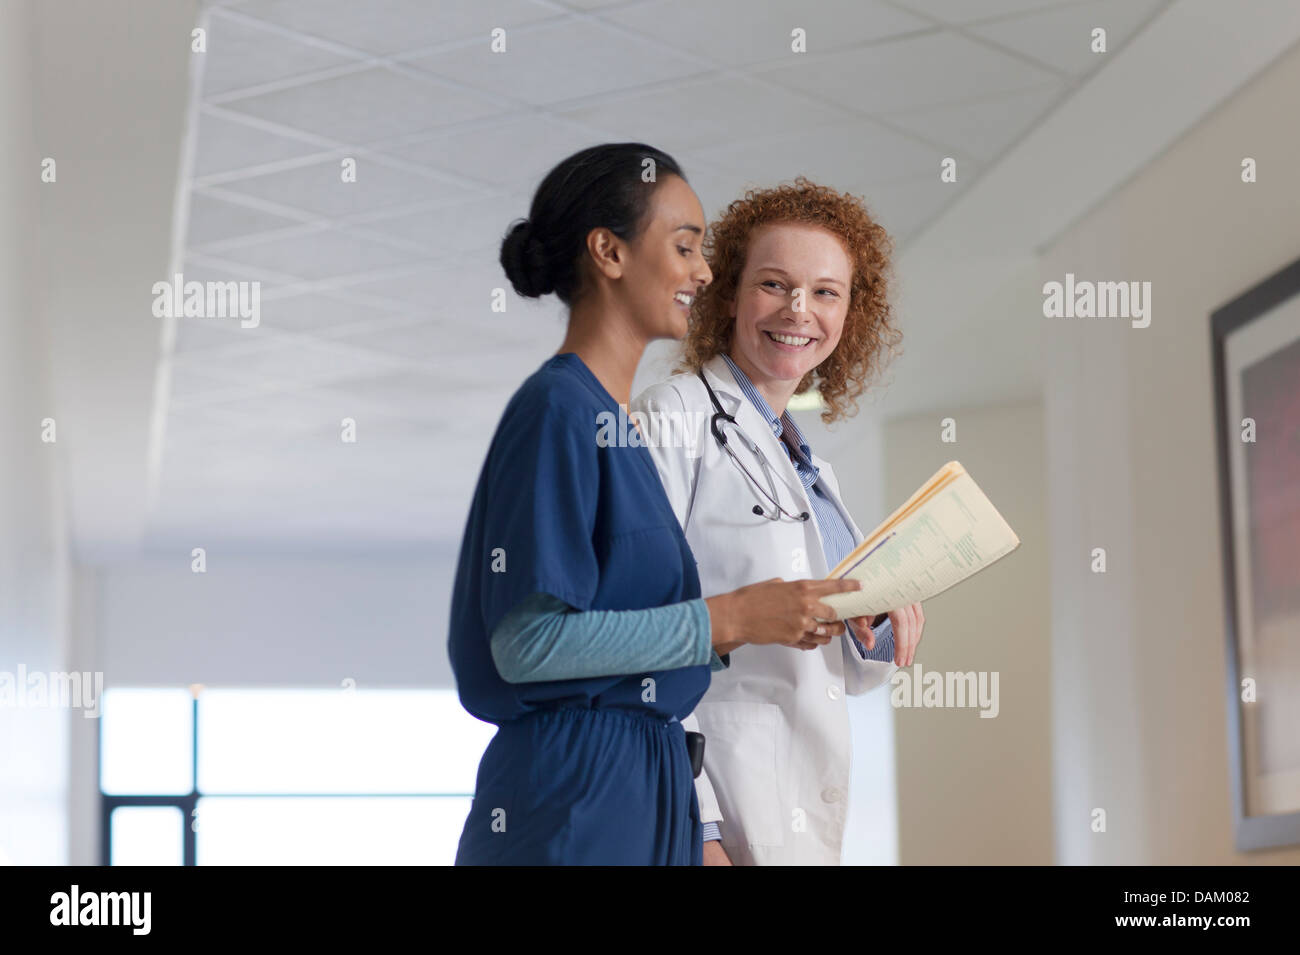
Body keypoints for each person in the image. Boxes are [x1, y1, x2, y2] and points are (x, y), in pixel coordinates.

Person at [448, 148, 863, 865]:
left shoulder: (613, 426)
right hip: (578, 792)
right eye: (684, 247)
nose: (703, 272)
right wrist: (732, 618)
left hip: (646, 780)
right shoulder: (557, 409)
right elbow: (524, 645)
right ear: (609, 252)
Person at [632, 177, 926, 865]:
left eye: (826, 291)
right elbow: (639, 639)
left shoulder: (811, 468)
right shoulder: (670, 420)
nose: (799, 310)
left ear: (851, 311)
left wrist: (874, 619)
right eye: (774, 284)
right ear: (729, 291)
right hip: (714, 817)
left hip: (797, 811)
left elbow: (840, 676)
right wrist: (697, 831)